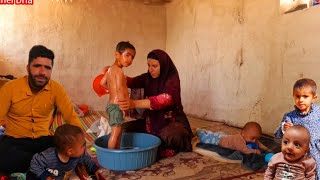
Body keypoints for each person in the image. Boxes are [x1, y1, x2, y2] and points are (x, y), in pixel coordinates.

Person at [0, 45, 83, 176]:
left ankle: (38, 167)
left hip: (43, 140)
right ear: (28, 68)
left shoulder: (57, 89)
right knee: (4, 155)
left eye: (47, 68)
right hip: (15, 141)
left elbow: (71, 117)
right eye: (37, 66)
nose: (42, 72)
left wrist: (80, 144)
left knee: (70, 149)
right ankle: (48, 166)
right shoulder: (10, 88)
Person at [117, 49, 193, 157]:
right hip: (152, 121)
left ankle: (160, 146)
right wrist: (115, 73)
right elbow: (130, 81)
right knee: (124, 129)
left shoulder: (172, 79)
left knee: (174, 135)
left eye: (154, 66)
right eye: (148, 65)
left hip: (171, 121)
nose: (150, 69)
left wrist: (133, 103)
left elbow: (165, 99)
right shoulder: (148, 77)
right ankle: (153, 143)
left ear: (163, 65)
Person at [274, 78, 320, 179]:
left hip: (316, 154)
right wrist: (284, 130)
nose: (301, 100)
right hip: (298, 158)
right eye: (298, 96)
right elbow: (277, 138)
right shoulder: (290, 117)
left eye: (305, 96)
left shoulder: (318, 113)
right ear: (293, 96)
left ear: (314, 97)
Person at [27, 124, 103, 180]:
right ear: (70, 151)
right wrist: (46, 176)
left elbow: (87, 160)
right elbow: (34, 163)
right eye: (83, 146)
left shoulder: (80, 155)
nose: (85, 148)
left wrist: (95, 169)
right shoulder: (48, 156)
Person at [100, 41, 136, 149]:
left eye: (132, 57)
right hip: (117, 106)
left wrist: (111, 91)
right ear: (117, 55)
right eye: (127, 55)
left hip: (111, 105)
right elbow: (120, 90)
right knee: (116, 132)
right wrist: (123, 107)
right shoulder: (119, 71)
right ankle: (112, 154)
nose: (130, 60)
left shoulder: (110, 69)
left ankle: (117, 151)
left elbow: (102, 83)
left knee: (118, 131)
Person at [197, 122, 270, 154]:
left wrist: (265, 148)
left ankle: (207, 132)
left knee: (216, 134)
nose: (254, 141)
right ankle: (199, 131)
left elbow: (258, 143)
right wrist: (256, 151)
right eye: (252, 138)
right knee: (207, 139)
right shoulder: (239, 141)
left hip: (226, 137)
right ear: (243, 133)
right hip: (220, 141)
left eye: (257, 138)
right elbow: (244, 150)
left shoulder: (252, 139)